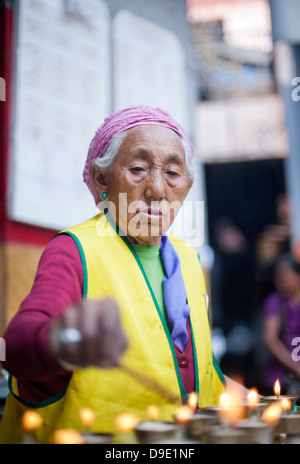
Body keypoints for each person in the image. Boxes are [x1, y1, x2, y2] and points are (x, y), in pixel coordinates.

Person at [0, 105, 228, 444]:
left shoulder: (188, 258)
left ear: (188, 186)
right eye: (137, 168)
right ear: (102, 180)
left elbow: (204, 370)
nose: (156, 190)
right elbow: (16, 346)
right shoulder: (74, 250)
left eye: (173, 173)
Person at [263, 254, 300, 395]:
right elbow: (270, 339)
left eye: (285, 275)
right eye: (277, 276)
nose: (280, 279)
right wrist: (295, 367)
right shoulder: (274, 301)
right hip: (282, 372)